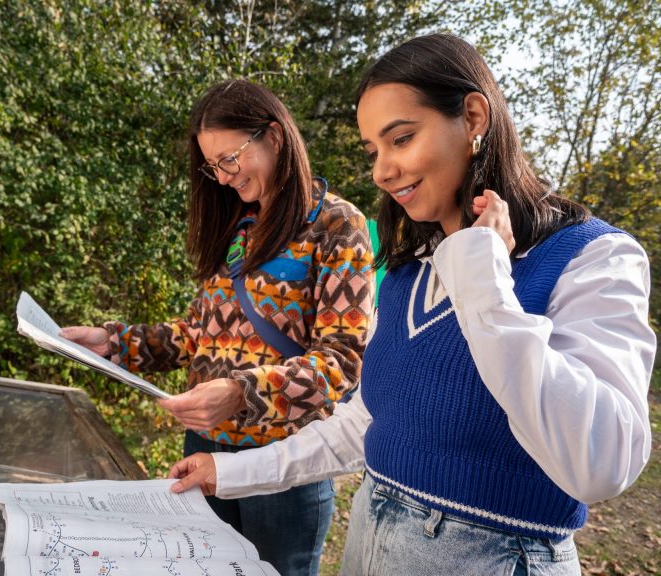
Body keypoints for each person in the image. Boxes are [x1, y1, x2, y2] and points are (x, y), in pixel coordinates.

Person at [167, 34, 656, 575]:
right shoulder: (407, 270)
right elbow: (368, 423)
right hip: (370, 545)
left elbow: (602, 464)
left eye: (401, 139)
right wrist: (228, 472)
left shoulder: (592, 257)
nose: (381, 171)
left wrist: (484, 282)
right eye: (373, 151)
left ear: (472, 116)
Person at [61, 79, 375, 576]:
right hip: (206, 449)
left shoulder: (337, 226)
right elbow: (197, 335)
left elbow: (341, 362)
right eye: (213, 166)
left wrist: (241, 392)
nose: (223, 178)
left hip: (284, 463)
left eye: (230, 159)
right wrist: (114, 342)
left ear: (273, 137)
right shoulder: (240, 228)